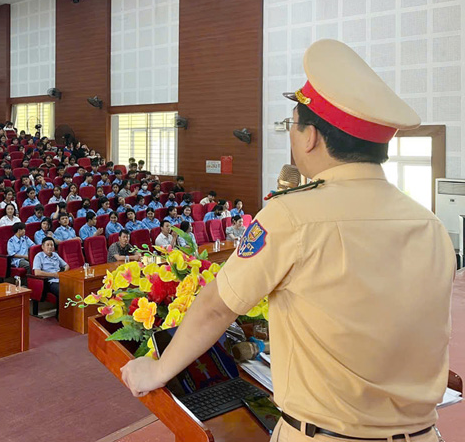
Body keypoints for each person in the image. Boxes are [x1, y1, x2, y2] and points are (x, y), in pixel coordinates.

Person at [119, 39, 455, 442]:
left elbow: (215, 308)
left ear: (310, 136)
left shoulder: (292, 217)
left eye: (291, 126)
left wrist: (155, 370)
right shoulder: (430, 224)